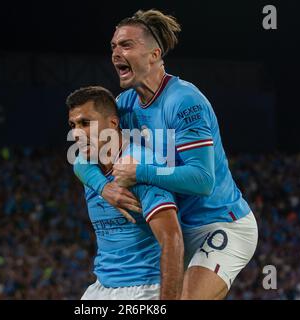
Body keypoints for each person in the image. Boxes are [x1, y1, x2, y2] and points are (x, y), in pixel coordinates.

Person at [73, 10, 258, 299]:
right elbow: (81, 154)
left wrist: (141, 172)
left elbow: (203, 180)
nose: (115, 53)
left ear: (154, 54)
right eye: (113, 47)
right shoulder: (124, 104)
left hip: (219, 223)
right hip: (179, 226)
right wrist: (103, 187)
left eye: (126, 45)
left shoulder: (184, 101)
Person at [66, 86, 184, 300]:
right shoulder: (89, 163)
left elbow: (172, 239)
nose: (76, 133)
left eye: (85, 123)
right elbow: (78, 163)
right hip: (101, 286)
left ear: (113, 123)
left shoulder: (138, 165)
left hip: (144, 288)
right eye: (72, 125)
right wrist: (103, 187)